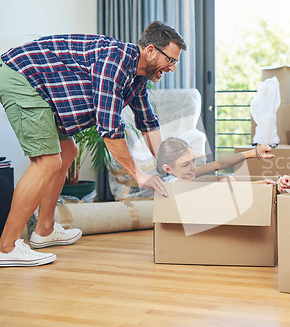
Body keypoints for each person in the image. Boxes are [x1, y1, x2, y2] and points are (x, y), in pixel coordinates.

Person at [0, 21, 185, 267]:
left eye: (175, 62)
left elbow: (148, 123)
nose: (171, 68)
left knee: (68, 151)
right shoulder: (115, 62)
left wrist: (168, 165)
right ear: (150, 51)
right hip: (21, 77)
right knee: (47, 162)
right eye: (170, 60)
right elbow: (109, 129)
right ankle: (7, 247)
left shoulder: (137, 78)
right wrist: (139, 176)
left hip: (43, 89)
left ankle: (44, 230)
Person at [156, 137, 275, 182]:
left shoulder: (182, 173)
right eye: (185, 165)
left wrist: (253, 153)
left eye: (193, 161)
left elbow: (220, 164)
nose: (193, 167)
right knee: (225, 180)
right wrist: (257, 185)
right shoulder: (175, 182)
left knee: (226, 179)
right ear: (168, 169)